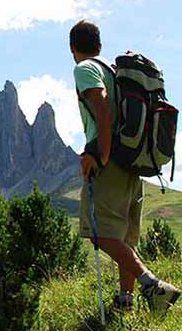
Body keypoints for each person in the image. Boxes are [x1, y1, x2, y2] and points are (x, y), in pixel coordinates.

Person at [71, 19, 180, 313]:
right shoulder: (117, 73)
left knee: (100, 233)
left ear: (73, 48)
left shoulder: (86, 69)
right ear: (100, 45)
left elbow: (101, 107)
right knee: (125, 240)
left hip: (112, 162)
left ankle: (153, 286)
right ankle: (125, 302)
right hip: (136, 164)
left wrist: (99, 155)